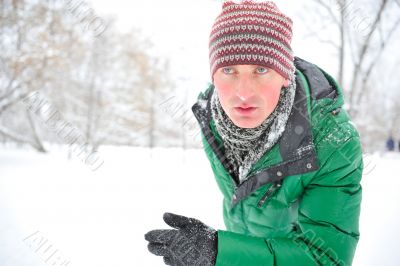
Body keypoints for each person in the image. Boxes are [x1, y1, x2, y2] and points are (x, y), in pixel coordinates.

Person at [144, 1, 364, 265]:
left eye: (261, 69)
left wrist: (219, 251)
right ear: (213, 76)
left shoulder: (332, 143)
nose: (244, 93)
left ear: (285, 75)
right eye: (229, 70)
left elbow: (326, 257)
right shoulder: (212, 117)